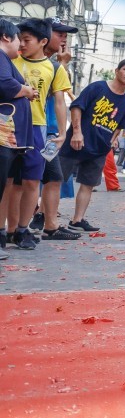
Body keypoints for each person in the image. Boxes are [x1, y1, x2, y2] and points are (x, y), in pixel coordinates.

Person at [2, 18, 71, 248]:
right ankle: (5, 230)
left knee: (33, 182)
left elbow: (60, 102)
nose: (21, 44)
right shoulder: (10, 60)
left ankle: (22, 230)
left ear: (43, 41)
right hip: (10, 126)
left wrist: (62, 132)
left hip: (37, 128)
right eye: (18, 39)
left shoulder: (54, 68)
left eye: (26, 40)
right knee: (8, 182)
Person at [58, 59, 125, 233]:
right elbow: (76, 107)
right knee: (56, 181)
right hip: (76, 142)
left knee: (88, 184)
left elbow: (119, 125)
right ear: (117, 70)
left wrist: (111, 142)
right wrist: (77, 132)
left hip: (99, 149)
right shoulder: (97, 87)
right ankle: (42, 215)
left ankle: (77, 220)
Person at [33, 17, 79, 240]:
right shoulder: (33, 63)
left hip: (50, 132)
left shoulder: (54, 65)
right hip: (35, 129)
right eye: (59, 34)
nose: (64, 39)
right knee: (29, 179)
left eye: (66, 36)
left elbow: (63, 97)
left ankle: (46, 222)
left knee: (52, 177)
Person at [0, 18, 38, 251]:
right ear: (6, 37)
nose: (20, 46)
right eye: (17, 39)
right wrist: (25, 90)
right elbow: (4, 84)